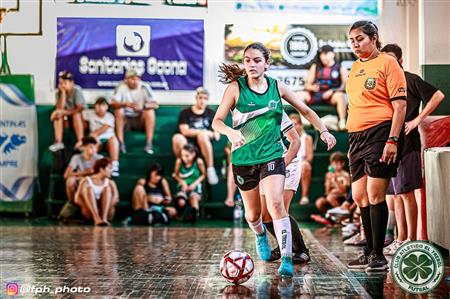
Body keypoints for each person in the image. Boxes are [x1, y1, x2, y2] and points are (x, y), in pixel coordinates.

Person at [212, 42, 336, 277]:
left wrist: (324, 130)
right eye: (247, 60)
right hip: (244, 159)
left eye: (257, 60)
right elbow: (217, 121)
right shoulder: (235, 89)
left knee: (277, 204)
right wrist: (229, 131)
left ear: (267, 64)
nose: (251, 64)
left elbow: (306, 111)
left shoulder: (277, 87)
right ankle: (260, 234)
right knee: (253, 215)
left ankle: (287, 258)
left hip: (272, 156)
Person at [346, 21, 407, 272]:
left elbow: (400, 106)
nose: (355, 44)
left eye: (359, 39)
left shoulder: (388, 63)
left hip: (381, 132)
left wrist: (392, 139)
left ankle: (378, 255)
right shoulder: (354, 67)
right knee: (359, 196)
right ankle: (369, 250)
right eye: (351, 40)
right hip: (355, 135)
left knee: (374, 194)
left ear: (373, 38)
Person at [380, 44, 445, 255]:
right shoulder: (384, 82)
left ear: (399, 60)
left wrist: (418, 119)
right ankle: (400, 239)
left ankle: (412, 240)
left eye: (391, 59)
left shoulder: (410, 79)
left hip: (408, 144)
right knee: (396, 195)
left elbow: (438, 96)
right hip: (389, 145)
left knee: (407, 193)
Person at [260, 111, 311, 264]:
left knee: (279, 209)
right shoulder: (250, 114)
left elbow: (306, 112)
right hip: (266, 162)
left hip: (288, 160)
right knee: (265, 215)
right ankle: (287, 246)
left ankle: (302, 250)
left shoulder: (275, 109)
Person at [172, 87, 220, 185]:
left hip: (203, 144)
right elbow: (184, 131)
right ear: (196, 98)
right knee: (177, 137)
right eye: (200, 98)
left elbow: (217, 135)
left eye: (205, 98)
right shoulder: (185, 112)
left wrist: (207, 133)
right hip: (187, 145)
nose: (202, 101)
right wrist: (205, 132)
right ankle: (183, 167)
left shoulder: (211, 113)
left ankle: (210, 169)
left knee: (202, 136)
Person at [297, 45, 348, 130]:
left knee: (340, 96)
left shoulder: (340, 68)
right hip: (316, 95)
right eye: (321, 54)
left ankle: (342, 122)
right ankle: (305, 119)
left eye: (326, 54)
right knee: (299, 95)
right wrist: (312, 87)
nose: (323, 57)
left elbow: (344, 86)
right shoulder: (315, 67)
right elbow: (307, 85)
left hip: (331, 96)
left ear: (333, 54)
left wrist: (333, 91)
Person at [111, 69, 158, 154]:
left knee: (150, 112)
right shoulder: (121, 86)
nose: (135, 81)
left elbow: (155, 104)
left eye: (137, 79)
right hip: (126, 120)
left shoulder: (144, 86)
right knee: (119, 111)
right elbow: (113, 103)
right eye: (132, 79)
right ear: (126, 79)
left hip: (140, 119)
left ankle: (149, 144)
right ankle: (121, 144)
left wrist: (143, 107)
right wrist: (126, 104)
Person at [74, 158, 119, 226]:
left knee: (107, 189)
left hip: (107, 212)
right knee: (89, 189)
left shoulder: (110, 182)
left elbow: (116, 198)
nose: (111, 171)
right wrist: (89, 207)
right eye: (109, 168)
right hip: (90, 212)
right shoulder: (86, 180)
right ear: (101, 169)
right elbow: (77, 199)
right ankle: (96, 218)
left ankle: (104, 218)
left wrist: (104, 208)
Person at [83, 97, 120, 176]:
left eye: (103, 105)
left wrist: (91, 135)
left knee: (113, 140)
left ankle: (115, 166)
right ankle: (91, 167)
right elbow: (80, 114)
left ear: (107, 107)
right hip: (96, 140)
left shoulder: (110, 116)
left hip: (107, 140)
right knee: (93, 142)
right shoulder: (89, 113)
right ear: (95, 106)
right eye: (98, 105)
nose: (100, 108)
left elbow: (102, 130)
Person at [49, 71, 86, 151]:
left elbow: (80, 108)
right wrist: (63, 94)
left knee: (76, 115)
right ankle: (58, 142)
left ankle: (81, 141)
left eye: (65, 83)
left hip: (80, 119)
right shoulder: (59, 92)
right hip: (67, 119)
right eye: (61, 83)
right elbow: (59, 109)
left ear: (71, 83)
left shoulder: (77, 90)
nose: (62, 85)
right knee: (58, 116)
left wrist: (64, 112)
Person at [64, 136, 103, 204]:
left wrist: (92, 174)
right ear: (83, 147)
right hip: (81, 179)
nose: (94, 149)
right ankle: (72, 203)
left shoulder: (99, 158)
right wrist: (83, 173)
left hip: (94, 180)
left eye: (95, 147)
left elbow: (104, 175)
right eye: (91, 147)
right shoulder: (76, 157)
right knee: (70, 181)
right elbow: (66, 175)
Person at [173, 144, 206, 222]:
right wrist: (182, 182)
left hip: (195, 186)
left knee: (194, 198)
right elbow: (175, 175)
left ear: (193, 154)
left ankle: (194, 214)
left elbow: (204, 175)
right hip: (183, 187)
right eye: (183, 156)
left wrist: (194, 184)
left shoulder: (199, 161)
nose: (184, 158)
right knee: (181, 201)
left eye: (187, 156)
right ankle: (180, 214)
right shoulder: (179, 161)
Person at [289, 114, 314, 205]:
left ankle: (304, 196)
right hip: (288, 163)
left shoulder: (307, 138)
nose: (294, 127)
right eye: (291, 125)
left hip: (301, 163)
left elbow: (309, 157)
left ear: (301, 125)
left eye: (296, 124)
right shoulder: (285, 138)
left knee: (306, 166)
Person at [224, 143, 238, 207]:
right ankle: (230, 197)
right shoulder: (236, 133)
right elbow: (227, 147)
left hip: (254, 158)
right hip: (238, 159)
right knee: (232, 165)